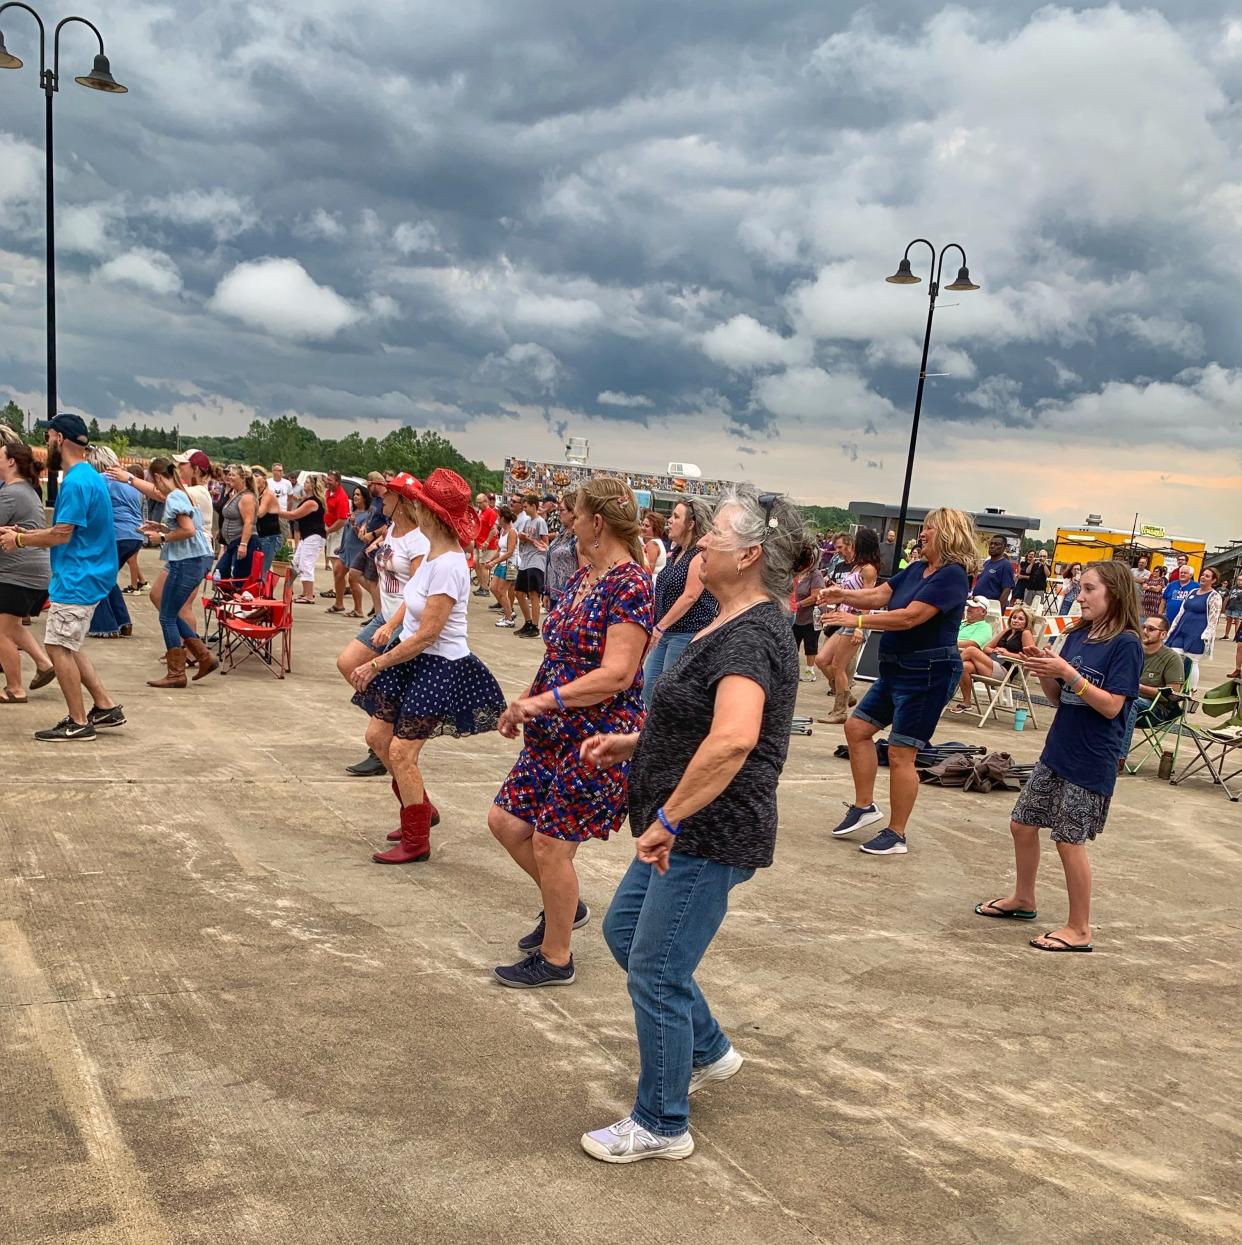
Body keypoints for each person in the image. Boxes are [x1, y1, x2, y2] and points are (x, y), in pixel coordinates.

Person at [578, 488, 804, 1163]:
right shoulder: (724, 619)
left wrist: (670, 816)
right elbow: (697, 719)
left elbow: (734, 738)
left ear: (752, 554)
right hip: (683, 823)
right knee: (625, 931)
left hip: (707, 831)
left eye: (716, 536)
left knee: (657, 967)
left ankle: (662, 1120)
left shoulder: (756, 635)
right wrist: (638, 743)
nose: (702, 543)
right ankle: (706, 1048)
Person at [489, 478, 653, 989]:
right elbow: (558, 656)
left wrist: (544, 701)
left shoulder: (631, 584)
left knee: (550, 845)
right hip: (553, 730)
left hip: (597, 737)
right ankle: (564, 904)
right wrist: (527, 702)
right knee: (505, 822)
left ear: (597, 523)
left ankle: (556, 958)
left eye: (575, 515)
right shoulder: (584, 576)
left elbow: (618, 673)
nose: (570, 523)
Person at [974, 561, 1141, 952]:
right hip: (1058, 748)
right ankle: (1024, 899)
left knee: (1069, 840)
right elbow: (1057, 698)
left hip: (1090, 757)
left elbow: (1112, 707)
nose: (1079, 597)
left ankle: (1079, 929)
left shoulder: (1127, 643)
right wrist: (1043, 670)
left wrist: (1067, 671)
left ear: (1113, 593)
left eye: (1088, 590)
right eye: (1080, 588)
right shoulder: (1080, 635)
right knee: (1022, 823)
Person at [349, 469, 506, 864]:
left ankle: (416, 840)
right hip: (414, 660)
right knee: (378, 738)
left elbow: (429, 634)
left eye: (418, 502)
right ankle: (421, 809)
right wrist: (390, 624)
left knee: (401, 751)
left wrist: (376, 664)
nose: (412, 505)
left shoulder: (450, 563)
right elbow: (413, 606)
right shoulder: (433, 554)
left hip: (439, 666)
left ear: (430, 513)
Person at [817, 508, 978, 855]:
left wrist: (857, 622)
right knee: (857, 729)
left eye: (930, 529)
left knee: (902, 752)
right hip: (897, 669)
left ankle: (897, 833)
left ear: (948, 534)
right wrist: (842, 595)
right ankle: (865, 807)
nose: (922, 534)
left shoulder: (952, 576)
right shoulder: (919, 569)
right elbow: (881, 595)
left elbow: (910, 618)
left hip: (928, 673)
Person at [0, 413, 124, 740]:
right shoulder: (88, 476)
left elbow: (62, 534)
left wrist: (21, 539)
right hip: (88, 572)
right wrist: (24, 532)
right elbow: (65, 530)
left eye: (47, 438)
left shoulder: (76, 481)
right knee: (68, 644)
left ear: (59, 438)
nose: (45, 445)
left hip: (79, 575)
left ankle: (78, 721)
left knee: (57, 647)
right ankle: (105, 705)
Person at [141, 457, 218, 688]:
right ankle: (203, 656)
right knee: (171, 613)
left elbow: (188, 530)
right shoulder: (183, 493)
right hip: (193, 560)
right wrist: (162, 528)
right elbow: (186, 528)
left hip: (186, 562)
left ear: (156, 477)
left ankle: (176, 673)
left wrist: (162, 537)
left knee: (167, 616)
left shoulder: (175, 496)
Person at [643, 496, 718, 707]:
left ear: (691, 524)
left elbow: (691, 596)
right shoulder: (676, 552)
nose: (669, 520)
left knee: (669, 693)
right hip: (666, 632)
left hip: (685, 633)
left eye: (676, 516)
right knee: (649, 688)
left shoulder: (697, 555)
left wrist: (660, 626)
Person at [0, 439, 55, 701]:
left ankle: (14, 689)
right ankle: (44, 664)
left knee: (0, 631)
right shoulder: (27, 490)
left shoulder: (10, 494)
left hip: (16, 573)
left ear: (11, 461)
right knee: (11, 626)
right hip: (33, 571)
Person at [814, 527, 882, 722]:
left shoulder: (868, 569)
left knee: (838, 665)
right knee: (822, 659)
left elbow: (868, 599)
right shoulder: (856, 567)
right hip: (846, 618)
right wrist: (833, 594)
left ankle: (840, 710)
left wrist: (860, 627)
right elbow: (848, 591)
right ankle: (845, 695)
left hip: (856, 620)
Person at [84, 445, 144, 639]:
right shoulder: (129, 481)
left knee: (95, 577)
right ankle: (123, 621)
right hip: (135, 536)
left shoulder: (102, 480)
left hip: (115, 535)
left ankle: (105, 625)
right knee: (108, 579)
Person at [1117, 616, 1187, 762]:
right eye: (1143, 627)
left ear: (1163, 634)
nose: (1144, 631)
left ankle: (1118, 758)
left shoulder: (1171, 658)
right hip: (1126, 698)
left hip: (1158, 708)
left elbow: (1173, 694)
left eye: (1151, 629)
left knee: (1130, 702)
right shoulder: (1133, 651)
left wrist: (1138, 687)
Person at [953, 603, 1034, 712]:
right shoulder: (1007, 631)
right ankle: (966, 702)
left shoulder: (1026, 633)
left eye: (1021, 619)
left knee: (971, 650)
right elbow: (987, 648)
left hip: (1006, 671)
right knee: (965, 666)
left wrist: (1006, 654)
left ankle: (949, 667)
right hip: (992, 664)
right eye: (1014, 617)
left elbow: (1029, 658)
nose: (1016, 621)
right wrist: (995, 650)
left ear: (1027, 622)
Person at [1166, 566, 1222, 693]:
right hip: (1182, 630)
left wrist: (1207, 635)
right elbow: (1181, 612)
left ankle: (1191, 691)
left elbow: (1214, 618)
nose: (1203, 577)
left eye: (1207, 576)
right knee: (1174, 656)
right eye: (1203, 575)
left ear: (1213, 580)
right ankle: (1173, 688)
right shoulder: (1192, 592)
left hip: (1197, 633)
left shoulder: (1214, 596)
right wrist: (1173, 628)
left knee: (1192, 661)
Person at [282, 474, 328, 604]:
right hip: (306, 535)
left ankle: (309, 594)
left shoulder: (312, 502)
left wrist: (276, 511)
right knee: (296, 562)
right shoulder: (306, 500)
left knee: (306, 564)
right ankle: (303, 592)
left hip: (314, 535)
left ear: (313, 486)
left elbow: (294, 515)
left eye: (307, 482)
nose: (305, 484)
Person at [513, 492, 550, 638]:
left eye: (526, 506)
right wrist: (522, 539)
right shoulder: (528, 521)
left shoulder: (540, 522)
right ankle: (528, 622)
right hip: (526, 559)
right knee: (519, 591)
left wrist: (527, 539)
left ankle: (535, 626)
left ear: (534, 506)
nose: (524, 509)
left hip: (536, 560)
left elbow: (545, 544)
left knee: (534, 593)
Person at [215, 464, 259, 584]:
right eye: (228, 475)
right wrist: (221, 531)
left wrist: (243, 544)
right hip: (232, 543)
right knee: (220, 574)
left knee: (238, 579)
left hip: (244, 543)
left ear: (243, 478)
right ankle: (227, 600)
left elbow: (249, 522)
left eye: (233, 475)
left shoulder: (247, 497)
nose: (229, 477)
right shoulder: (234, 495)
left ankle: (236, 600)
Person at [330, 485, 370, 616]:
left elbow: (362, 536)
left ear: (364, 498)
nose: (355, 497)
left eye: (358, 495)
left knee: (354, 579)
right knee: (338, 572)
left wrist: (354, 525)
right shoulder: (353, 513)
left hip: (357, 551)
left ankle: (358, 609)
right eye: (354, 494)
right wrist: (341, 546)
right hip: (347, 549)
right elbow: (345, 531)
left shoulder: (367, 515)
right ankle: (339, 604)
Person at [790, 549, 824, 682]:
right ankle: (793, 669)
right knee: (793, 643)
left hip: (811, 615)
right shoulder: (796, 573)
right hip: (795, 616)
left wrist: (797, 604)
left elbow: (816, 596)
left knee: (810, 643)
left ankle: (810, 670)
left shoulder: (816, 575)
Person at [544, 492, 580, 612]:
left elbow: (583, 569)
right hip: (554, 594)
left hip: (569, 596)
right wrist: (547, 591)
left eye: (562, 510)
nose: (559, 514)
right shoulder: (562, 532)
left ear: (573, 513)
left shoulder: (578, 538)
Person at [249, 466, 284, 580]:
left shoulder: (267, 494)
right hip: (260, 536)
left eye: (257, 475)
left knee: (262, 571)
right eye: (252, 476)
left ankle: (262, 593)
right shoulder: (255, 494)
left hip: (270, 537)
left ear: (264, 478)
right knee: (254, 569)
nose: (253, 478)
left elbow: (259, 513)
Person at [486, 507, 519, 626]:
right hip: (502, 563)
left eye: (498, 517)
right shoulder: (502, 531)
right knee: (494, 588)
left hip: (510, 565)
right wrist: (490, 560)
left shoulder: (512, 532)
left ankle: (509, 618)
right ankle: (509, 611)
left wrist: (494, 562)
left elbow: (510, 552)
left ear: (503, 518)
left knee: (501, 591)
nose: (497, 519)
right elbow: (499, 550)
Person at [973, 536, 1016, 610]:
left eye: (996, 544)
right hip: (978, 605)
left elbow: (1006, 590)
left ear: (1004, 548)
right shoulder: (986, 563)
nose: (992, 546)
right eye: (991, 543)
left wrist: (996, 610)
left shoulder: (1006, 565)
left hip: (990, 608)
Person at [322, 471, 351, 573]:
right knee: (331, 556)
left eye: (330, 480)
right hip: (330, 528)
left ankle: (339, 587)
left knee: (336, 560)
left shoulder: (342, 497)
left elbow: (342, 520)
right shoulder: (328, 492)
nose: (327, 482)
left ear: (337, 482)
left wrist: (328, 530)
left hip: (338, 531)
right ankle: (344, 586)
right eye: (327, 479)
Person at [1162, 563, 1199, 637]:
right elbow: (1163, 600)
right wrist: (1160, 614)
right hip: (1169, 620)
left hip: (1185, 622)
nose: (1182, 574)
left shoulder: (1196, 587)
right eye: (1181, 572)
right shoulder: (1172, 585)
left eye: (1185, 573)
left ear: (1191, 575)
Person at [473, 492, 498, 595]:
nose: (479, 505)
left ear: (485, 501)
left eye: (480, 502)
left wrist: (487, 541)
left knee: (483, 565)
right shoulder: (480, 512)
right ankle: (481, 585)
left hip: (487, 544)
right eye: (477, 503)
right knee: (476, 563)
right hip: (479, 542)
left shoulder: (490, 512)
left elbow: (494, 530)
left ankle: (485, 588)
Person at [268, 461, 293, 543]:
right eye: (278, 470)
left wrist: (288, 513)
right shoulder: (268, 482)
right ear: (273, 471)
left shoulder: (287, 483)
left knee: (283, 533)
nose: (281, 472)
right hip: (270, 512)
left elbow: (290, 498)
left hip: (282, 512)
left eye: (281, 470)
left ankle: (283, 550)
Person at [641, 511, 668, 584]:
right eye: (642, 524)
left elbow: (648, 570)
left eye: (647, 526)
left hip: (652, 584)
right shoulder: (658, 542)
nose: (642, 528)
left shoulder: (652, 544)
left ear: (655, 529)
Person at [1224, 573, 1242, 646]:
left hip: (1238, 607)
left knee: (1237, 622)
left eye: (1241, 580)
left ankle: (1236, 636)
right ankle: (1226, 635)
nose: (1239, 581)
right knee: (1229, 621)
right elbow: (1228, 597)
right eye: (1238, 580)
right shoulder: (1233, 588)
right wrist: (1224, 606)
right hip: (1230, 606)